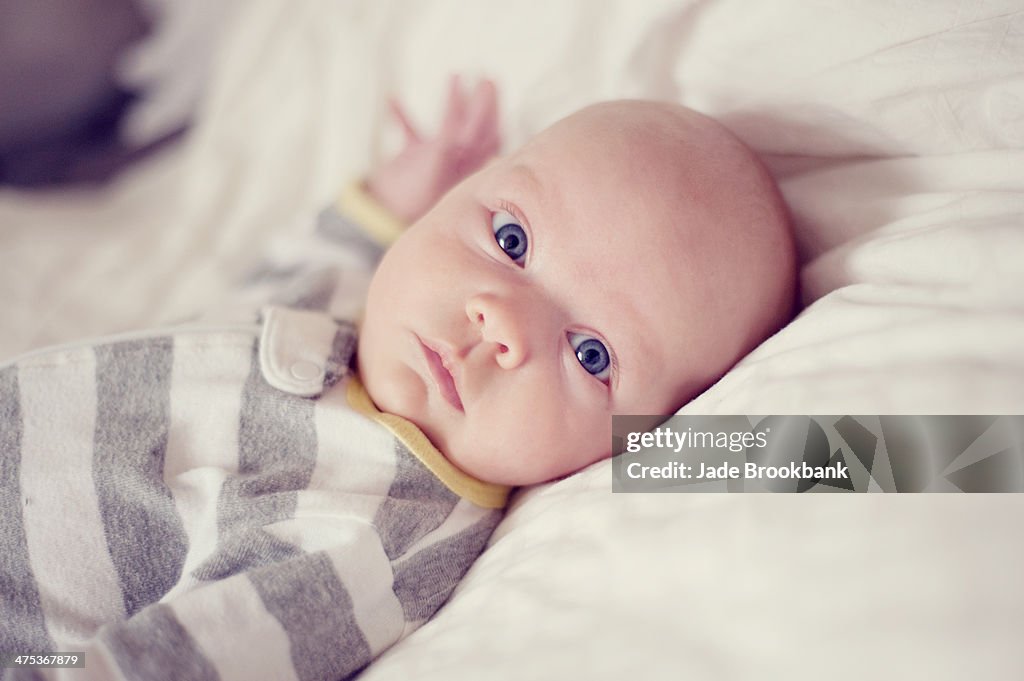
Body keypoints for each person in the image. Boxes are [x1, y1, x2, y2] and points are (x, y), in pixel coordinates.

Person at [0, 78, 794, 680]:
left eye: (592, 355)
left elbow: (181, 658)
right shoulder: (351, 306)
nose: (501, 323)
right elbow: (293, 270)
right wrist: (384, 202)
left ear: (630, 439)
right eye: (511, 237)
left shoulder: (367, 542)